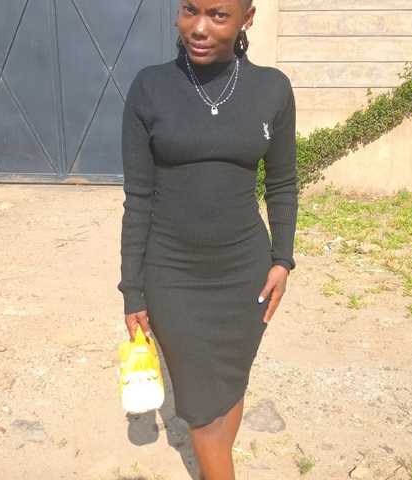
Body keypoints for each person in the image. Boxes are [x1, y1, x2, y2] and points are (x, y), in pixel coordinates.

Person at [117, 0, 298, 478]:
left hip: (245, 274)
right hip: (172, 273)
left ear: (246, 19)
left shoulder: (272, 89)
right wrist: (132, 290)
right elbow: (137, 198)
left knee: (229, 383)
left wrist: (282, 259)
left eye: (218, 15)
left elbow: (282, 183)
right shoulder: (150, 88)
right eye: (189, 10)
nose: (198, 28)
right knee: (202, 407)